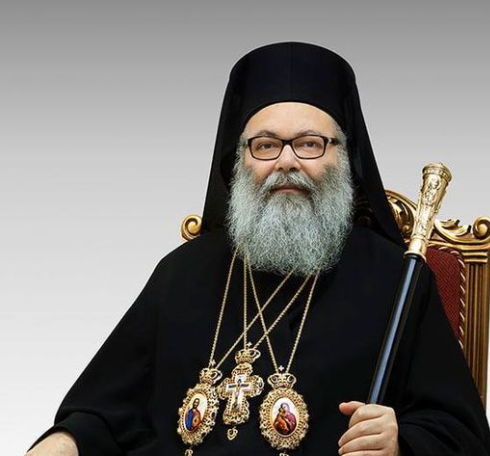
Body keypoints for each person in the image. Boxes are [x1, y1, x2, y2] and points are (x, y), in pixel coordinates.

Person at [25, 42, 490, 456]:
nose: (287, 161)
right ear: (240, 159)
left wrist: (399, 440)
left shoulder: (396, 279)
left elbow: (459, 431)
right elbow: (106, 410)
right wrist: (64, 442)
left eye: (309, 144)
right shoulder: (180, 273)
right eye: (265, 145)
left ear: (344, 157)